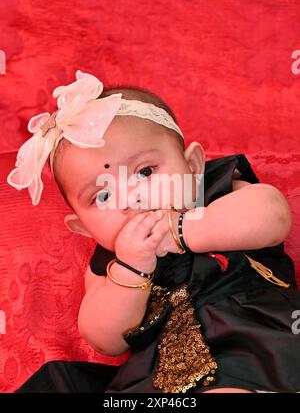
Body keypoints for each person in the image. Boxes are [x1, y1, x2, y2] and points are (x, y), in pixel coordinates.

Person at [7, 70, 300, 393]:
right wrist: (132, 270)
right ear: (84, 229)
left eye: (145, 171)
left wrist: (181, 230)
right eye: (102, 195)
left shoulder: (215, 192)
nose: (130, 197)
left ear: (192, 167)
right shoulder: (111, 263)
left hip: (257, 340)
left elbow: (271, 216)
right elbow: (106, 340)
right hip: (160, 377)